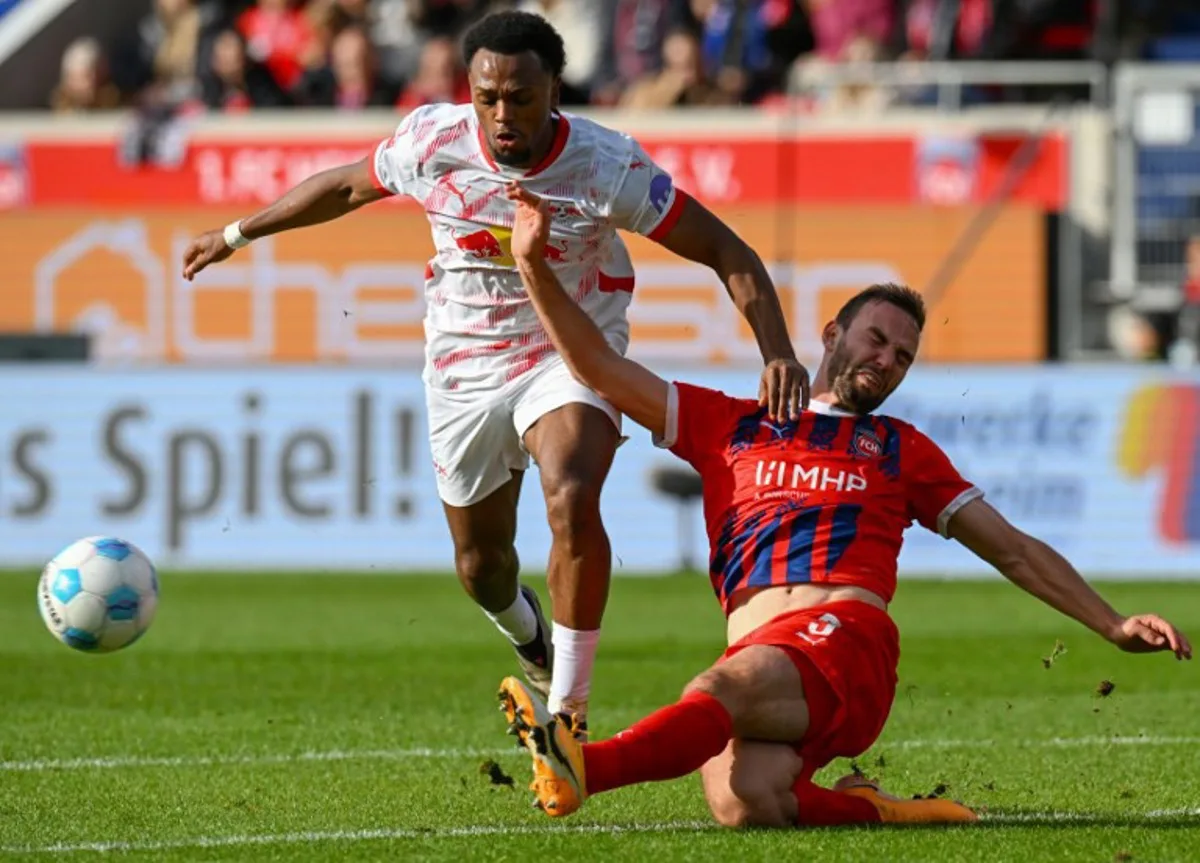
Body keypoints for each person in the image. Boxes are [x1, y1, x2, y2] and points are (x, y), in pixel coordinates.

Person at [180, 10, 808, 738]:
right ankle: (528, 634)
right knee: (481, 565)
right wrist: (234, 234)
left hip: (570, 353)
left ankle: (568, 714)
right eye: (487, 98)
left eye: (521, 97)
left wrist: (777, 351)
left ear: (553, 91)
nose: (502, 115)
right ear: (469, 90)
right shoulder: (434, 140)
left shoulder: (609, 167)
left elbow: (727, 250)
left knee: (572, 491)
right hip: (464, 365)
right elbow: (349, 187)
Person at [493, 182, 1194, 827]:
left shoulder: (899, 448)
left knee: (718, 685)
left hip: (847, 644)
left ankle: (585, 767)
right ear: (831, 335)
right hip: (766, 655)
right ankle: (880, 809)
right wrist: (531, 264)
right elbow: (599, 367)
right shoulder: (730, 423)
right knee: (744, 798)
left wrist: (1110, 623)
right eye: (877, 338)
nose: (887, 359)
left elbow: (1012, 547)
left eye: (904, 356)